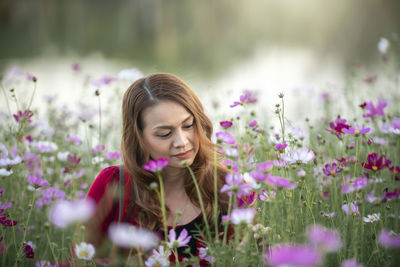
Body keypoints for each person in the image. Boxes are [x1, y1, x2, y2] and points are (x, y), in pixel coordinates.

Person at [83, 73, 229, 265]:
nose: (182, 142)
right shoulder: (113, 185)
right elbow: (79, 258)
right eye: (164, 133)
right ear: (139, 138)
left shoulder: (228, 189)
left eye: (188, 125)